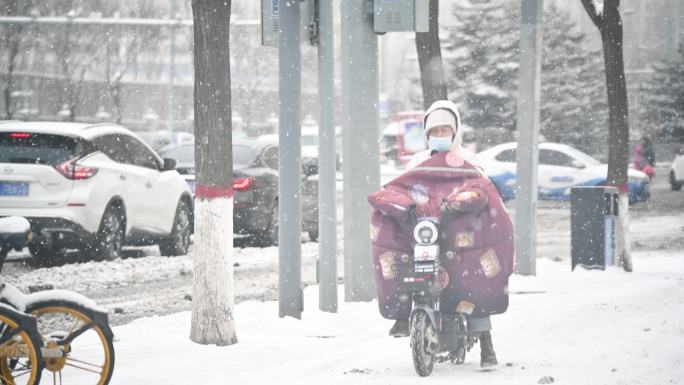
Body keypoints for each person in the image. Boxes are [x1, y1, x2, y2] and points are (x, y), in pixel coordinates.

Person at [369, 100, 514, 368]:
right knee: (408, 268)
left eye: (445, 131)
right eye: (434, 132)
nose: (440, 136)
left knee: (473, 281)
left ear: (456, 131)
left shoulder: (471, 161)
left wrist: (463, 202)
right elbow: (402, 188)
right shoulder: (418, 161)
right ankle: (404, 313)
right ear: (426, 135)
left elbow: (482, 190)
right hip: (425, 233)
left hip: (460, 236)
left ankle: (486, 343)